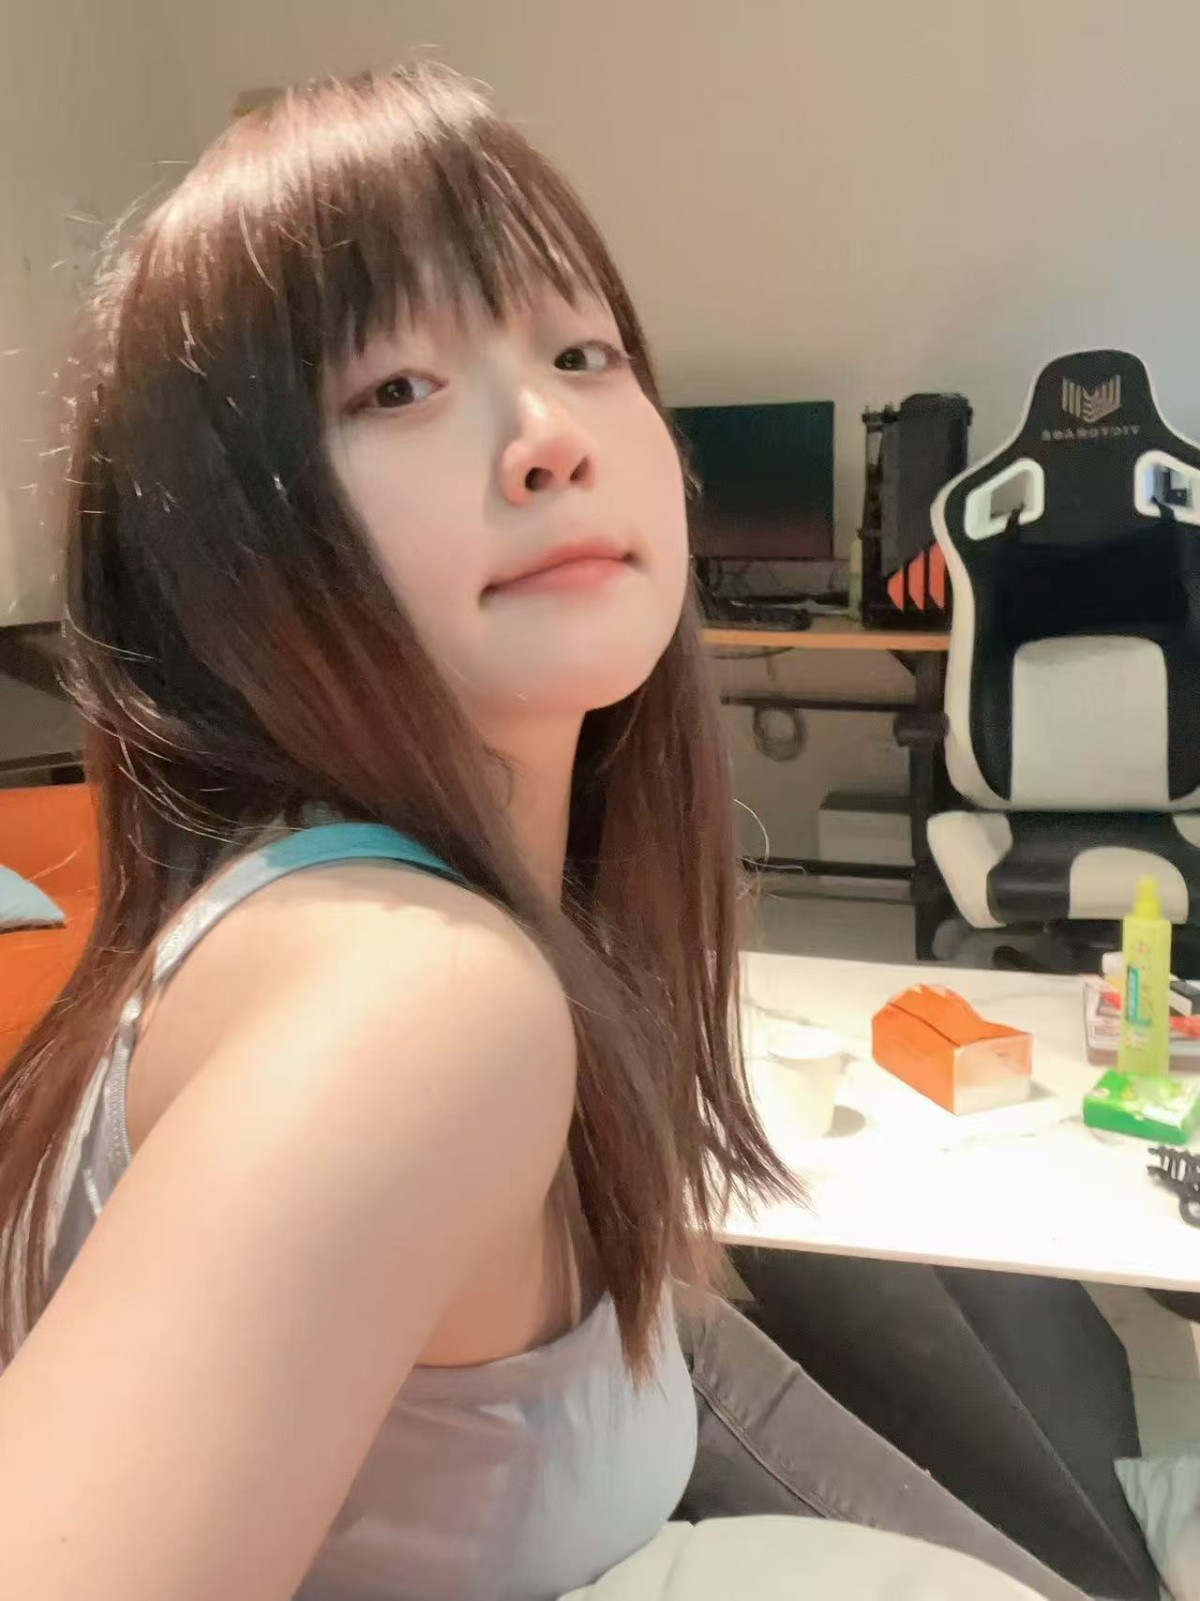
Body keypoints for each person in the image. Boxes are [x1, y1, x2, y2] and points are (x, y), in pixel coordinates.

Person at [0, 65, 1093, 1601]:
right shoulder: (420, 999)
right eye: (395, 388)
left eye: (583, 351)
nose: (546, 434)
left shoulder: (384, 919)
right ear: (220, 549)